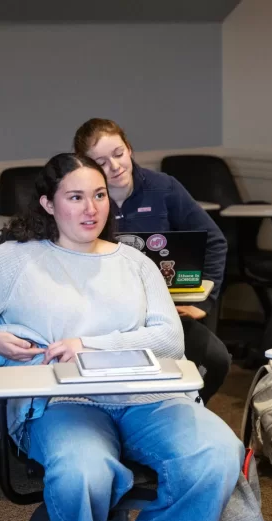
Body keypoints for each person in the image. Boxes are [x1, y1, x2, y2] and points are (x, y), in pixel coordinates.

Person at [0, 153, 243, 521]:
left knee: (219, 451)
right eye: (76, 197)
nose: (91, 208)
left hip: (148, 399)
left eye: (99, 195)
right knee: (81, 472)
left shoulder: (134, 262)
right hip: (63, 404)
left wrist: (89, 345)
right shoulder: (16, 260)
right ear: (49, 204)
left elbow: (170, 340)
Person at [74, 118, 231, 403]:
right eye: (101, 162)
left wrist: (203, 303)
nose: (115, 166)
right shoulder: (84, 201)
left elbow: (215, 241)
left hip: (164, 310)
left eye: (119, 154)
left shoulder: (164, 188)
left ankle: (188, 410)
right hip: (104, 316)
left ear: (130, 149)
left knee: (217, 360)